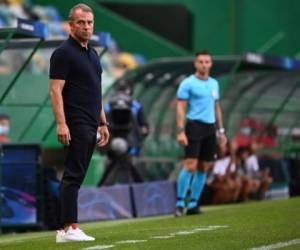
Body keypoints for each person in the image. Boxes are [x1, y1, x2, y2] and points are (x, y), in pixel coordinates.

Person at [49, 3, 109, 243]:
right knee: (73, 175)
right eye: (81, 22)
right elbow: (55, 91)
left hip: (91, 123)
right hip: (75, 123)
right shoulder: (63, 53)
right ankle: (68, 227)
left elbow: (96, 91)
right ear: (71, 25)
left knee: (76, 175)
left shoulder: (92, 54)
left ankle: (65, 229)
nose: (86, 26)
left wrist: (102, 122)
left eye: (89, 22)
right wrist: (61, 124)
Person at [175, 50, 227, 216]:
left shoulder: (214, 84)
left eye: (207, 61)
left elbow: (216, 107)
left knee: (204, 167)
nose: (204, 64)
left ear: (211, 64)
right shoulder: (188, 83)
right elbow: (181, 108)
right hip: (194, 126)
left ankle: (193, 205)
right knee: (190, 165)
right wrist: (180, 131)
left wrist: (221, 131)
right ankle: (179, 203)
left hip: (210, 128)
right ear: (195, 64)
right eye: (201, 62)